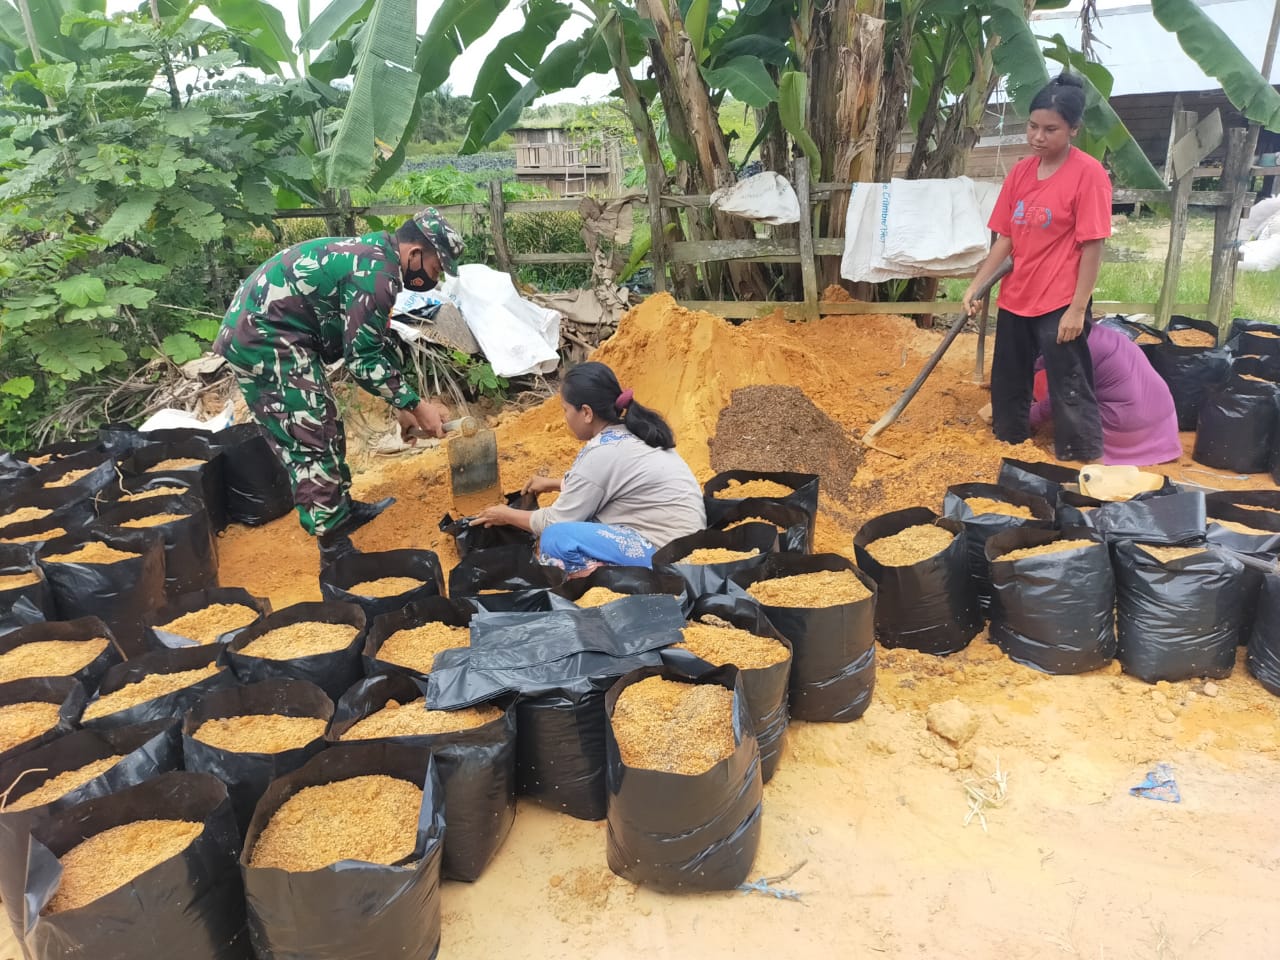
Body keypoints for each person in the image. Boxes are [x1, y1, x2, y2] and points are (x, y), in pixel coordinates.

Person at [214, 207, 464, 562]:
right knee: (309, 432)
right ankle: (334, 548)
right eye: (436, 269)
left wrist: (401, 407)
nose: (434, 280)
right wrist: (416, 405)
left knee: (326, 420)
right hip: (263, 337)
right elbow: (362, 360)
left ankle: (341, 512)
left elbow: (372, 344)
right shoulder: (378, 274)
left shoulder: (379, 259)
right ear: (415, 254)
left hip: (282, 334)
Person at [963, 72, 1111, 463]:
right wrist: (976, 286)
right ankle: (1008, 444)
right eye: (1032, 126)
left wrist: (1078, 308)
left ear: (1074, 130)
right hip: (1017, 295)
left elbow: (1093, 244)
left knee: (1069, 381)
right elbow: (1006, 238)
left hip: (1060, 299)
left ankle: (1082, 457)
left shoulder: (1088, 175)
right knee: (1009, 379)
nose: (1038, 137)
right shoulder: (1021, 173)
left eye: (1051, 129)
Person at [474, 361, 706, 575]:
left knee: (556, 539)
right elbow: (604, 486)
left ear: (586, 412)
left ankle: (601, 580)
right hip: (687, 542)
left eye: (565, 410)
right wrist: (555, 484)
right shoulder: (629, 432)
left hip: (668, 557)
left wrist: (505, 514)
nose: (565, 418)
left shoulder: (602, 452)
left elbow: (556, 521)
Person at [1029, 323, 1182, 465]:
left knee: (1067, 410)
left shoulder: (1069, 350)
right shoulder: (1100, 334)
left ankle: (1081, 449)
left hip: (1127, 427)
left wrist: (1022, 418)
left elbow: (1056, 403)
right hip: (1163, 422)